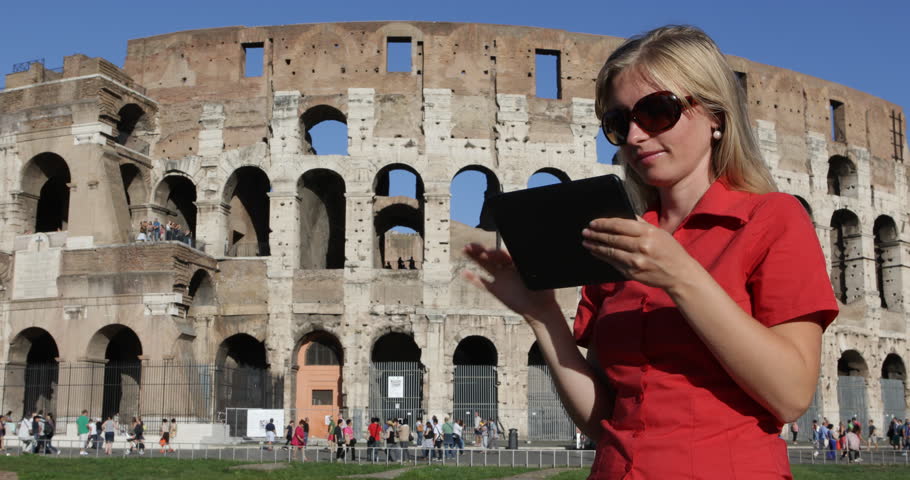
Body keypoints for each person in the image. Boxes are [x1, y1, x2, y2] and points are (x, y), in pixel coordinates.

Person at [462, 25, 838, 479]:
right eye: (619, 123)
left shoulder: (771, 219)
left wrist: (681, 276)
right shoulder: (621, 240)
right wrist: (542, 315)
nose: (635, 136)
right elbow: (604, 421)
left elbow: (791, 394)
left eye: (657, 112)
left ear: (715, 115)